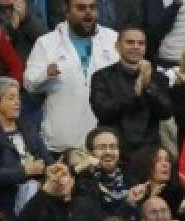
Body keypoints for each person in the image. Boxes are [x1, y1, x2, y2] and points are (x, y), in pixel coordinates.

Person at [23, 0, 120, 153]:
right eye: (81, 8)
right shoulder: (47, 43)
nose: (88, 12)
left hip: (104, 141)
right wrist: (45, 75)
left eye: (92, 7)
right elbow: (29, 84)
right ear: (67, 12)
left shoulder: (113, 39)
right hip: (62, 141)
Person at [89, 26, 173, 159]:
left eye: (141, 43)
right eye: (130, 42)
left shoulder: (159, 78)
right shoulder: (102, 76)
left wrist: (149, 86)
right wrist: (135, 95)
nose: (136, 46)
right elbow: (102, 111)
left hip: (149, 152)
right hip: (115, 151)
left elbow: (166, 112)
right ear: (117, 46)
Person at [0, 76, 51, 216]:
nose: (17, 102)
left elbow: (47, 162)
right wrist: (24, 171)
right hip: (3, 204)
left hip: (36, 200)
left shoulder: (29, 128)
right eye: (11, 98)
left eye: (18, 98)